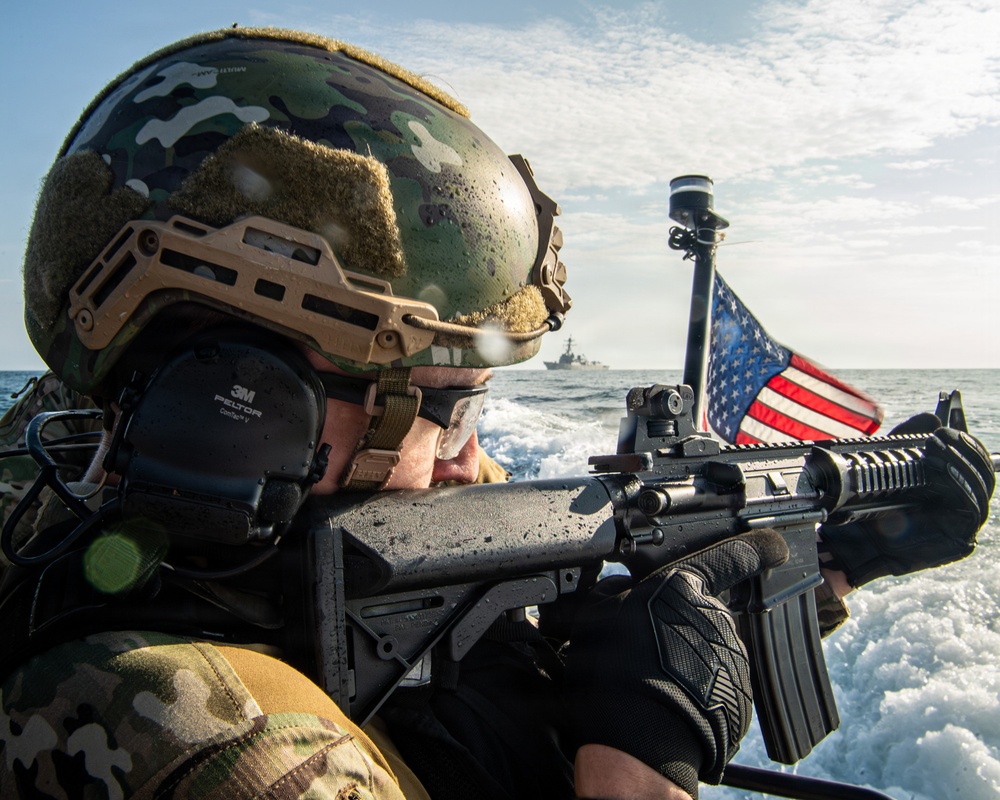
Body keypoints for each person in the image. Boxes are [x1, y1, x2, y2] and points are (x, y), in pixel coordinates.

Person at [0, 26, 993, 800]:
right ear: (251, 409)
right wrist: (640, 767)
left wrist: (827, 564)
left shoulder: (99, 500)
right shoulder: (178, 720)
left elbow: (523, 629)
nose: (458, 466)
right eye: (450, 407)